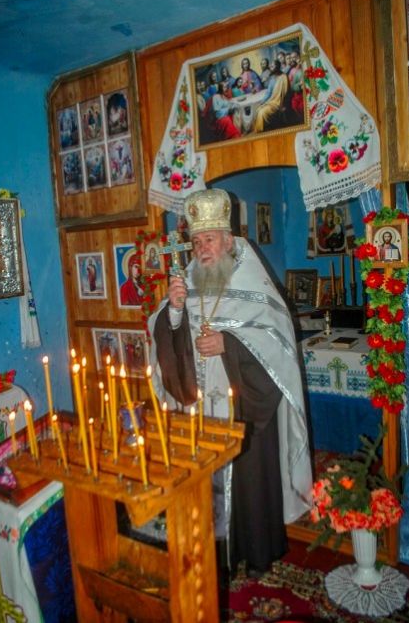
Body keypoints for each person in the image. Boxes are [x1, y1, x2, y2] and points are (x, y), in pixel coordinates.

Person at [148, 188, 312, 577]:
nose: (202, 248)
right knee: (206, 478)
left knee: (250, 477)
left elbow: (278, 339)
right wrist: (174, 312)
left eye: (209, 239)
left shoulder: (252, 280)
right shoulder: (186, 282)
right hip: (201, 404)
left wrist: (230, 344)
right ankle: (215, 554)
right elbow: (166, 339)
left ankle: (255, 553)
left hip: (245, 402)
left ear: (228, 240)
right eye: (197, 242)